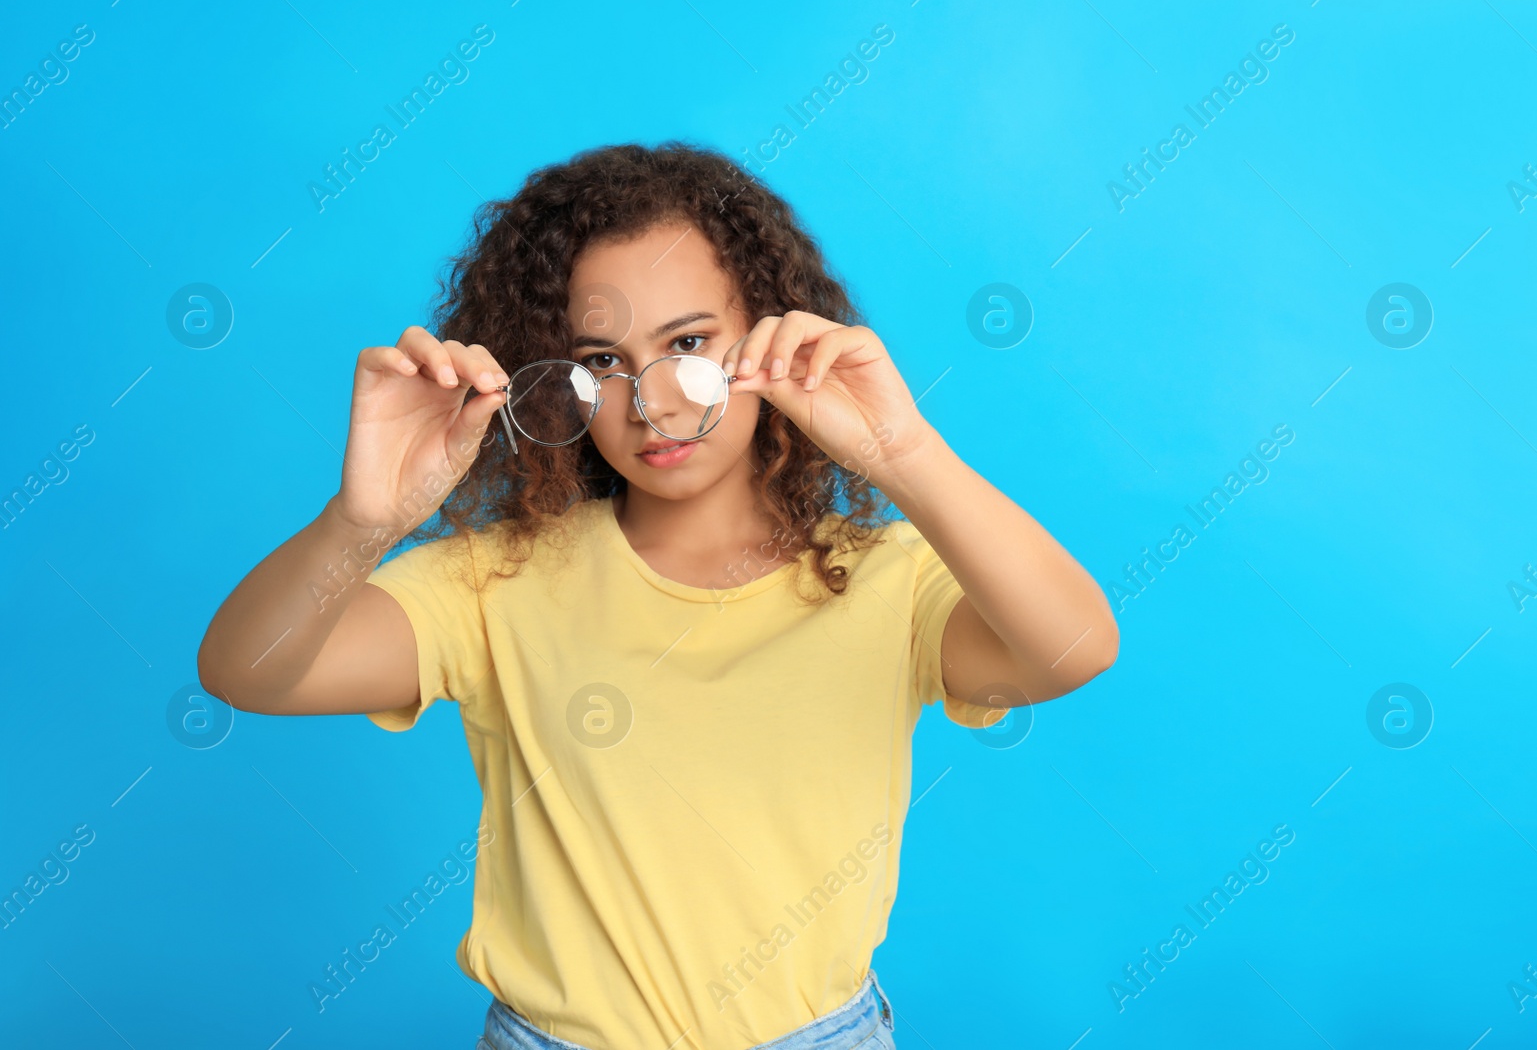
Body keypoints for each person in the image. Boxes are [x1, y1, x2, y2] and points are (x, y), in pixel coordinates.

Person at [197, 142, 1118, 1050]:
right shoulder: (495, 581)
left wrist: (903, 451)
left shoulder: (888, 579)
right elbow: (248, 671)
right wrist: (364, 519)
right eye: (599, 361)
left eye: (687, 343)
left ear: (769, 330)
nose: (650, 402)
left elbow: (1076, 647)